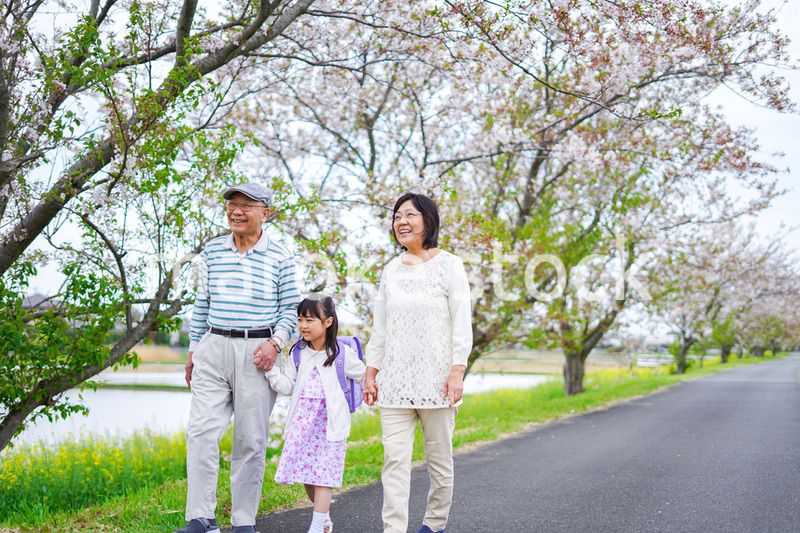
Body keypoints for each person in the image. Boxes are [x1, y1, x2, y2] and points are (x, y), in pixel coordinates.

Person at [176, 183, 301, 533]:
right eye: (232, 204)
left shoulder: (281, 255)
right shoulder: (212, 252)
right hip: (213, 347)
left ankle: (244, 521)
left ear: (266, 212)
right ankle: (200, 517)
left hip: (258, 352)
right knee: (200, 434)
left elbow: (290, 308)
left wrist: (275, 344)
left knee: (250, 440)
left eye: (247, 205)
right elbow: (201, 305)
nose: (237, 211)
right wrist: (193, 351)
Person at [363, 192, 473, 533]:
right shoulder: (390, 270)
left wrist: (457, 369)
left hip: (438, 381)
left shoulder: (449, 265)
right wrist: (371, 372)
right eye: (397, 216)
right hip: (394, 383)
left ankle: (434, 523)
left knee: (439, 462)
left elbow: (461, 320)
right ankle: (393, 529)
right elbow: (380, 328)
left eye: (409, 215)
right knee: (394, 461)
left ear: (428, 220)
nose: (402, 222)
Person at [264, 295, 366, 533]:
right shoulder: (298, 352)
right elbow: (288, 385)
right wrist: (270, 372)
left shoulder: (341, 354)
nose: (303, 326)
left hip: (330, 424)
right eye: (300, 319)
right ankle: (324, 518)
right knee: (307, 475)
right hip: (302, 422)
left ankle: (317, 525)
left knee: (323, 476)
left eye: (310, 320)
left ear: (328, 322)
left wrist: (368, 392)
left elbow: (363, 375)